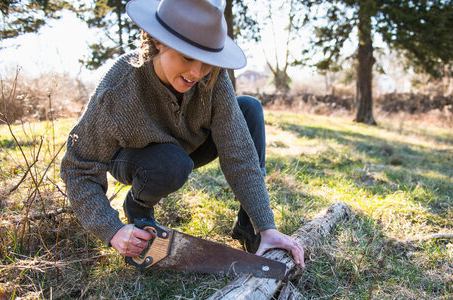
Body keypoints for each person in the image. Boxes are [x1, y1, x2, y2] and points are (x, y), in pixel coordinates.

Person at [60, 0, 305, 268]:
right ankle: (139, 206)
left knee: (248, 109)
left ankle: (250, 230)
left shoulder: (213, 79)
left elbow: (240, 155)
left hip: (185, 147)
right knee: (171, 162)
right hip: (132, 156)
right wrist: (112, 230)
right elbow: (79, 167)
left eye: (207, 63)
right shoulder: (118, 89)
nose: (197, 74)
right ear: (157, 41)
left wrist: (266, 225)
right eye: (187, 57)